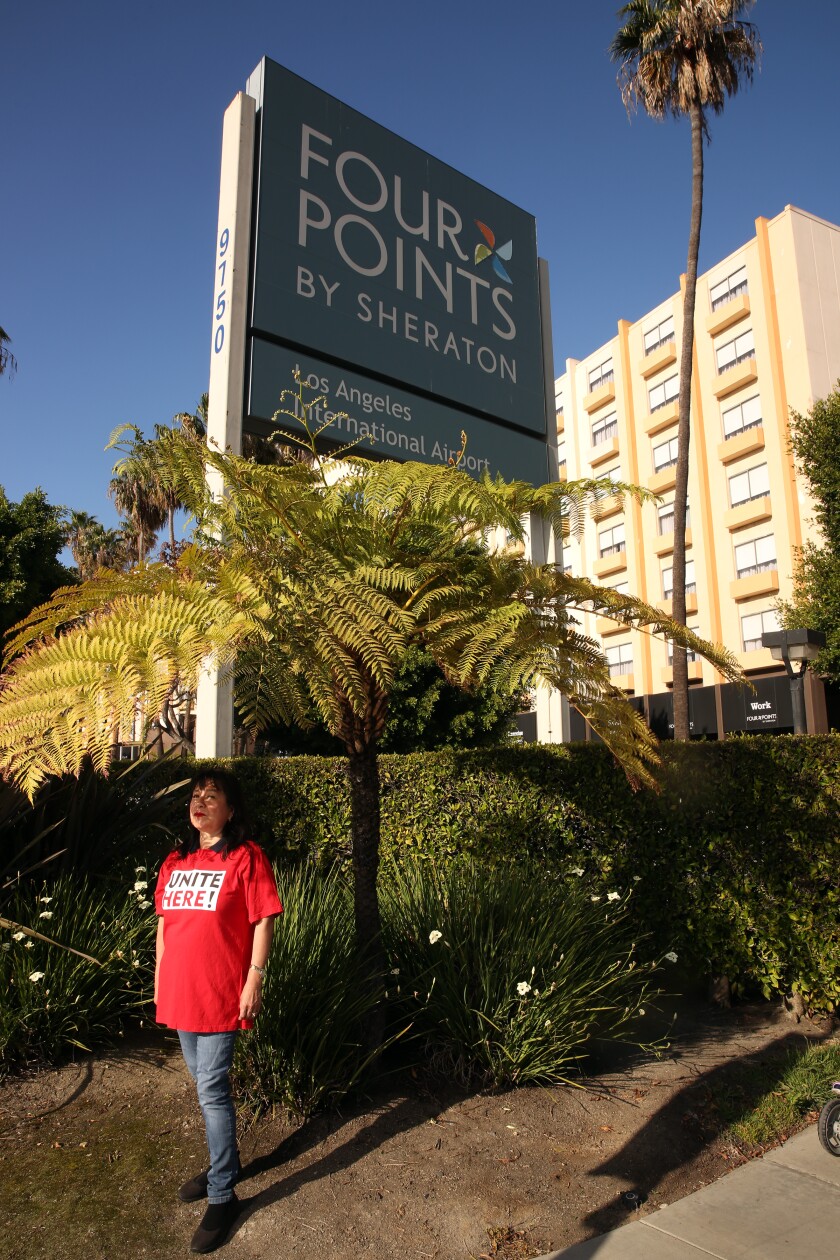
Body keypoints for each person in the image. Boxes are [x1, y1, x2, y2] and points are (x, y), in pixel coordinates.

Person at [154, 768, 282, 1254]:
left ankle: (223, 1191)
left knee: (211, 1087)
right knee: (202, 1084)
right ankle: (221, 1161)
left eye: (212, 796)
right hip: (181, 990)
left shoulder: (246, 858)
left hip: (221, 992)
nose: (201, 802)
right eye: (195, 795)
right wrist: (159, 977)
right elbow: (165, 925)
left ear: (231, 810)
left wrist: (255, 977)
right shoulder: (176, 861)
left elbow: (263, 919)